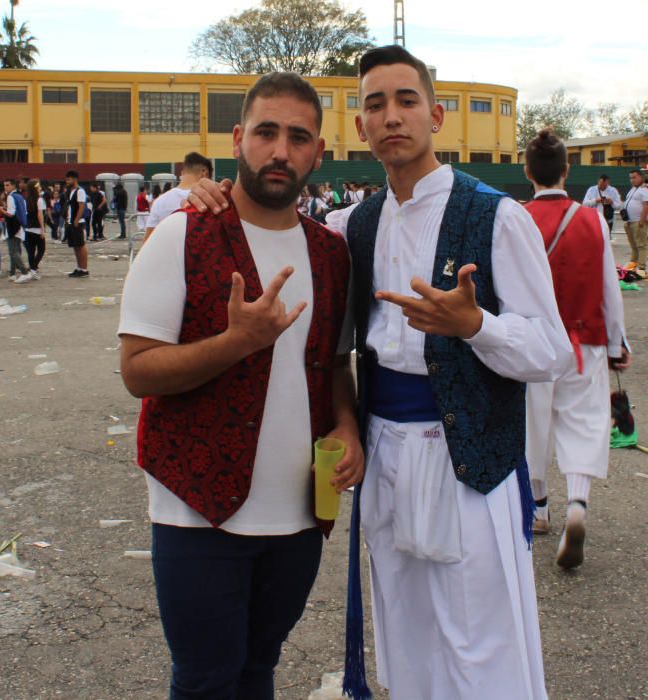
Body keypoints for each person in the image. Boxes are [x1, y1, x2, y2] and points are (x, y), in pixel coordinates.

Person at [187, 45, 571, 700]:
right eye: (373, 104)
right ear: (359, 126)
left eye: (404, 100)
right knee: (406, 636)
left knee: (481, 647)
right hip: (385, 458)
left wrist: (474, 326)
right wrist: (216, 193)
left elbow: (552, 353)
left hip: (469, 464)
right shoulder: (348, 225)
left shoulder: (496, 217)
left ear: (435, 115)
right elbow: (275, 228)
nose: (390, 115)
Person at [117, 71, 362, 700]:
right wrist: (236, 344)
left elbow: (334, 365)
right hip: (197, 510)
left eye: (298, 137)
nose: (280, 150)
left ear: (319, 154)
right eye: (267, 132)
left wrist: (347, 425)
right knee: (205, 680)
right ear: (238, 138)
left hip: (299, 516)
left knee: (258, 671)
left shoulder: (332, 253)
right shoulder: (182, 235)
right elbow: (137, 369)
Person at [523, 129, 630, 569]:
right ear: (567, 171)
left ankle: (539, 508)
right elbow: (609, 286)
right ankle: (578, 506)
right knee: (584, 423)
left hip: (533, 345)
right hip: (583, 342)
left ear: (527, 171)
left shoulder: (517, 218)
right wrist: (616, 341)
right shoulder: (590, 220)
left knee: (532, 425)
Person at [144, 152, 213, 242]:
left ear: (182, 173)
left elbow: (148, 240)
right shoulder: (211, 200)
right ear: (204, 173)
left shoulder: (160, 201)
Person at [2, 178, 32, 283]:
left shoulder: (11, 197)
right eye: (4, 185)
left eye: (7, 185)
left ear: (13, 186)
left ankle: (25, 272)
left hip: (13, 226)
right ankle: (12, 274)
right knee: (15, 250)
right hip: (20, 225)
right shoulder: (20, 197)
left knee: (13, 251)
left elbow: (10, 214)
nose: (5, 187)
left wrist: (0, 209)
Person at [620, 169, 648, 277]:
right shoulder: (633, 189)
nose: (632, 180)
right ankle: (633, 263)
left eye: (634, 177)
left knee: (641, 245)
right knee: (633, 245)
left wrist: (642, 220)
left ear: (641, 177)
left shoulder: (644, 190)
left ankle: (641, 267)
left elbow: (646, 205)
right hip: (629, 221)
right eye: (630, 178)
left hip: (638, 221)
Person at [64, 170, 89, 278]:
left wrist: (76, 220)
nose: (67, 181)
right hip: (71, 222)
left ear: (75, 179)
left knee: (81, 245)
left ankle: (84, 269)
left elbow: (81, 206)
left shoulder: (80, 191)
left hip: (77, 223)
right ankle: (79, 267)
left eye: (69, 179)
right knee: (75, 246)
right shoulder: (71, 191)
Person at [23, 179, 46, 280]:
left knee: (31, 252)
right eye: (39, 186)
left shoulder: (26, 199)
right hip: (37, 229)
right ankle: (33, 268)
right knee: (41, 249)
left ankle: (32, 268)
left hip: (28, 229)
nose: (40, 188)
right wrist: (42, 229)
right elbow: (40, 214)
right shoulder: (39, 200)